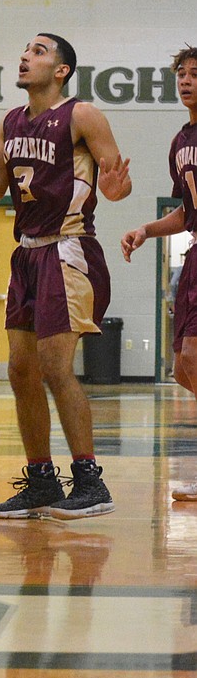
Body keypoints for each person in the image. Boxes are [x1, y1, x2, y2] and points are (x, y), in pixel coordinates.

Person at [0, 32, 132, 519]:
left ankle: (90, 481)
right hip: (27, 253)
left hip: (69, 247)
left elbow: (118, 185)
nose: (25, 56)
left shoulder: (81, 115)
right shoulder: (11, 122)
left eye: (38, 52)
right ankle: (41, 481)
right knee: (20, 370)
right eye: (25, 50)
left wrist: (114, 186)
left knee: (55, 366)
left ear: (61, 70)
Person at [121, 44, 197, 501]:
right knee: (182, 366)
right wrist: (146, 230)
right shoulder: (181, 142)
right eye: (182, 74)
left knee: (193, 357)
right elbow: (186, 213)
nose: (186, 80)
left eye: (195, 73)